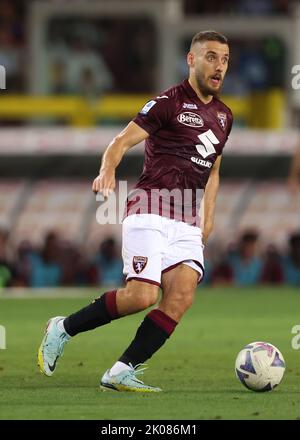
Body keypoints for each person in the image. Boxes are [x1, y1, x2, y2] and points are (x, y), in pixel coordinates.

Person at [38, 30, 233, 392]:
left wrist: (209, 216)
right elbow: (120, 141)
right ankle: (62, 328)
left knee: (181, 297)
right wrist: (106, 171)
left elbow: (214, 170)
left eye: (224, 59)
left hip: (188, 220)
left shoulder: (224, 116)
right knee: (142, 296)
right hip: (151, 208)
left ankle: (121, 371)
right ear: (191, 60)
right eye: (210, 57)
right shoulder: (167, 102)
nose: (218, 66)